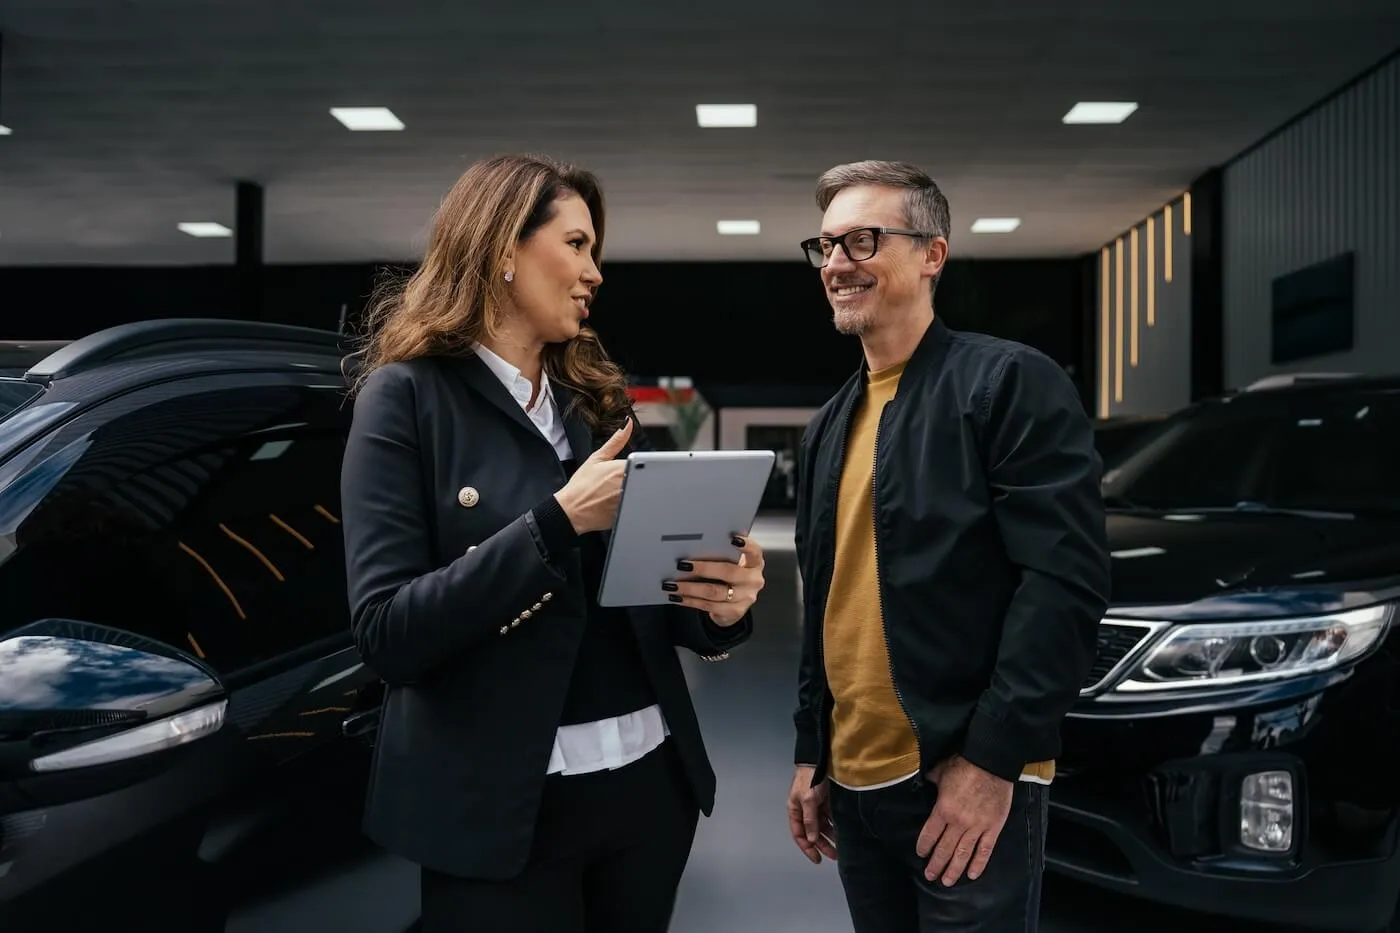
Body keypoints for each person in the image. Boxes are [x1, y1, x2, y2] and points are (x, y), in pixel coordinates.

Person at [339, 153, 764, 933]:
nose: (594, 271)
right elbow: (388, 635)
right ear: (504, 249)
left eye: (594, 250)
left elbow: (643, 602)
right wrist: (555, 521)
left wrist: (719, 607)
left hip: (646, 795)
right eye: (575, 244)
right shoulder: (404, 400)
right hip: (500, 815)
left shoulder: (591, 402)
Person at [785, 160, 1111, 933]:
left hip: (962, 776)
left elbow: (1064, 584)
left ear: (932, 254)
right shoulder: (828, 425)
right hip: (857, 784)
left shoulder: (1005, 383)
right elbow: (824, 600)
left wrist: (993, 761)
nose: (836, 264)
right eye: (825, 246)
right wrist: (813, 751)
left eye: (862, 240)